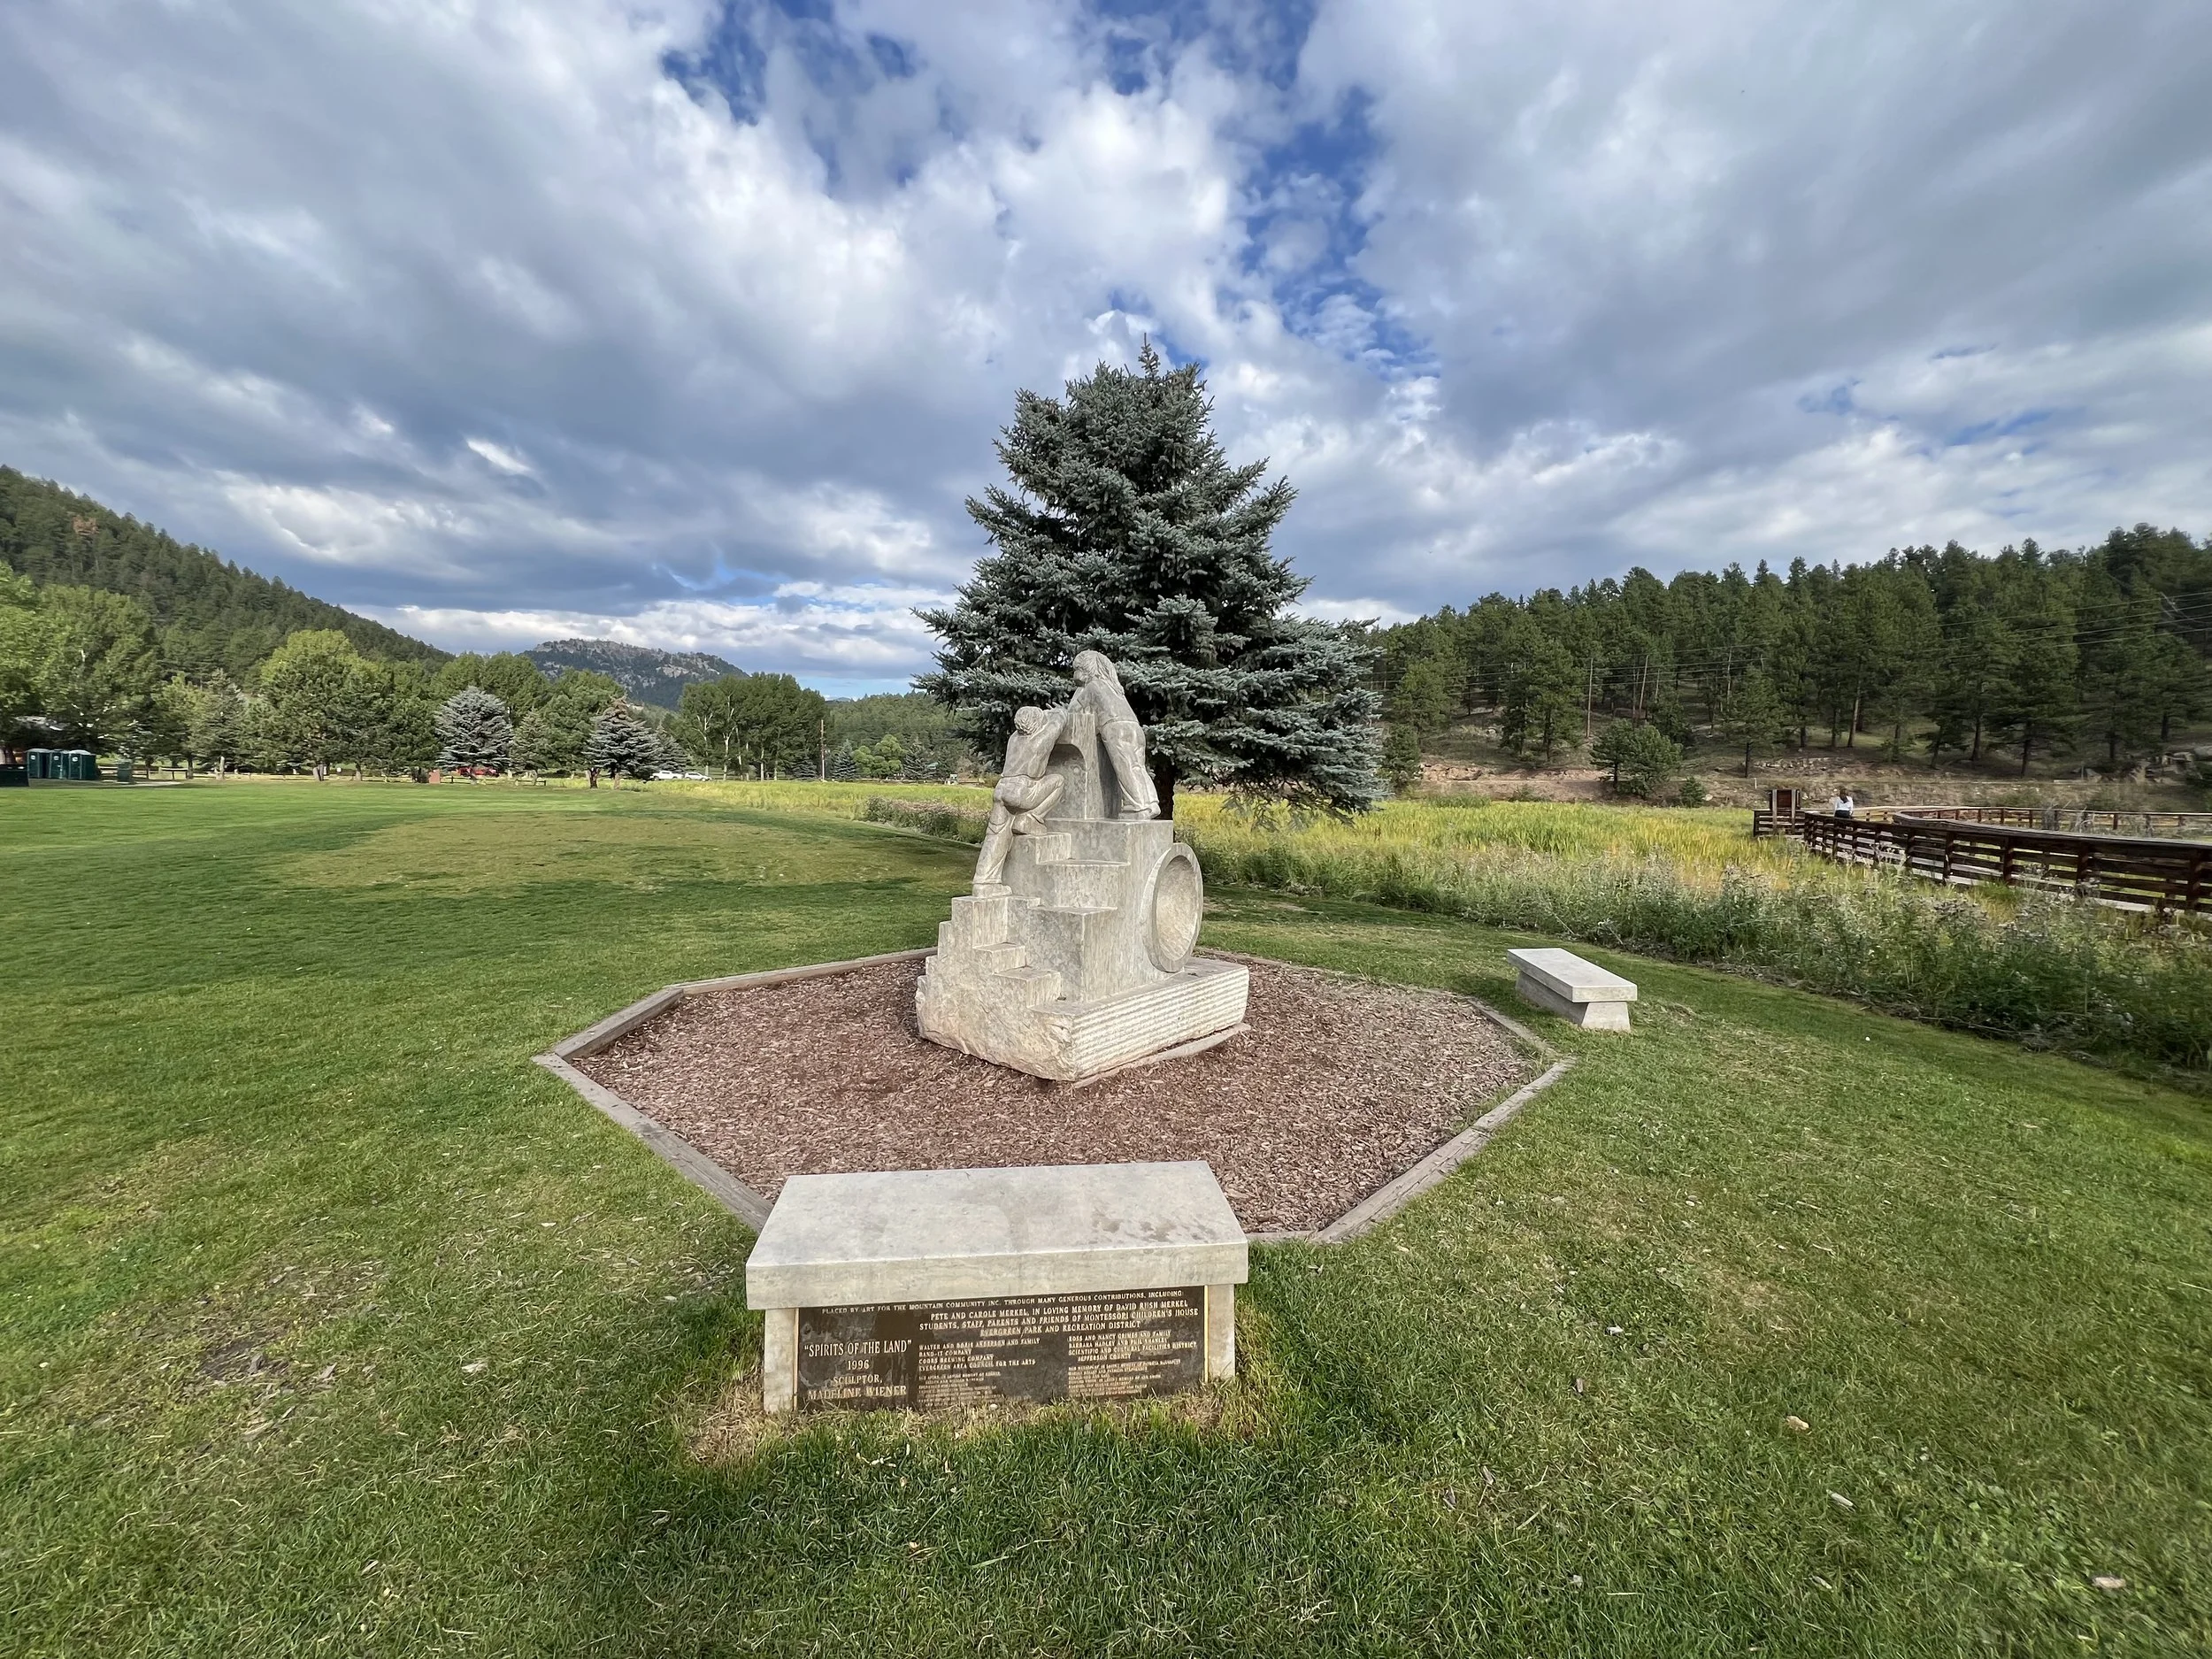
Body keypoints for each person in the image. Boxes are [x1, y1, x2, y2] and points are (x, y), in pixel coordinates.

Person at [973, 703, 1071, 889]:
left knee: (995, 835)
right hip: (1023, 791)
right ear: (1037, 723)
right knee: (1058, 780)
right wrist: (1058, 711)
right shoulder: (1041, 739)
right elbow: (1059, 721)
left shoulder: (1014, 739)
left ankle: (983, 882)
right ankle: (1031, 817)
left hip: (1002, 789)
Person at [1070, 650, 1159, 820]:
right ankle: (1151, 803)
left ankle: (1137, 807)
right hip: (1134, 728)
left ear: (1087, 669)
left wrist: (1077, 694)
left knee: (1125, 767)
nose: (1076, 675)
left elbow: (1075, 712)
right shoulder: (1114, 687)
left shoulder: (1092, 686)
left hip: (1115, 728)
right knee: (1137, 766)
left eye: (1078, 669)